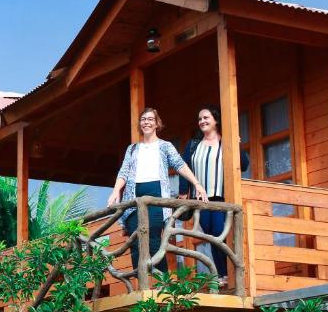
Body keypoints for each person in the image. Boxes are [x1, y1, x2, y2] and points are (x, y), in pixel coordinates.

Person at [107, 108, 208, 273]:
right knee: (136, 242)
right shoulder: (132, 149)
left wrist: (196, 184)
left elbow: (180, 165)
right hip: (133, 200)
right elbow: (123, 173)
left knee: (153, 240)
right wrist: (116, 191)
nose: (146, 122)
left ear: (156, 123)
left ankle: (163, 282)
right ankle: (141, 286)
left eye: (150, 119)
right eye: (143, 119)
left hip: (156, 198)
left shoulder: (164, 146)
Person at [179, 105, 250, 284]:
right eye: (200, 119)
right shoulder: (193, 145)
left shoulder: (226, 141)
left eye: (206, 118)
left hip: (220, 197)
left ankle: (228, 274)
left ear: (216, 120)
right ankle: (221, 275)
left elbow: (244, 164)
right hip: (200, 199)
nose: (202, 121)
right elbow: (184, 168)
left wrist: (237, 145)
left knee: (219, 233)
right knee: (211, 235)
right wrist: (183, 194)